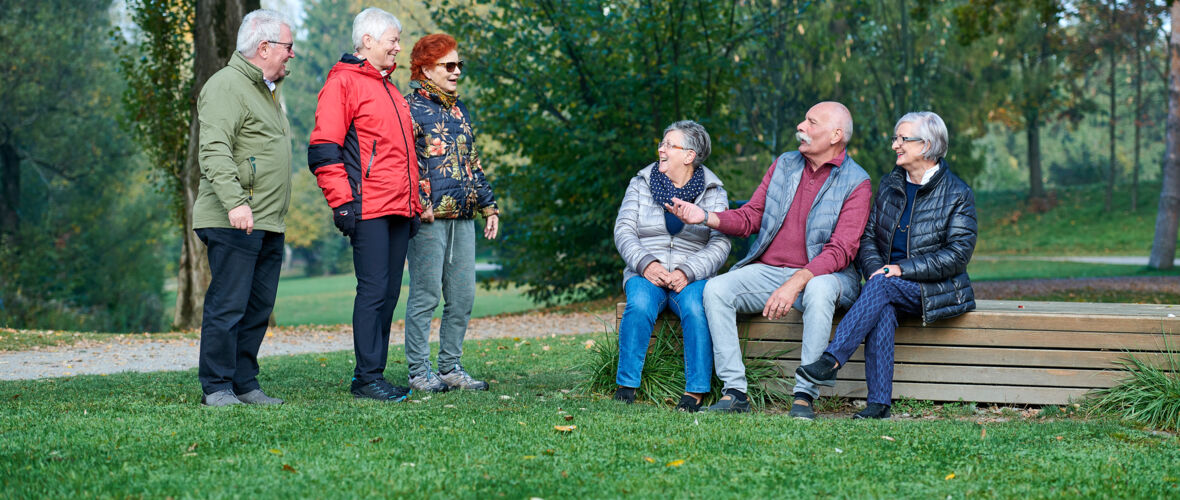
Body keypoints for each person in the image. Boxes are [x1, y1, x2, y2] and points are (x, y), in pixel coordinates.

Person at [666, 101, 871, 417]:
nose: (801, 127)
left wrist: (796, 282)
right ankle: (735, 393)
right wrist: (704, 216)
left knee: (817, 290)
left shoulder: (857, 181)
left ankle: (804, 395)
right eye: (803, 120)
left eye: (811, 122)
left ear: (835, 135)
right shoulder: (784, 165)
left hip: (827, 276)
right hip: (771, 271)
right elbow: (751, 217)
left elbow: (841, 251)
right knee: (716, 290)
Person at [795, 111, 977, 419]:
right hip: (888, 286)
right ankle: (878, 404)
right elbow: (868, 240)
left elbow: (957, 255)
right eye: (896, 138)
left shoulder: (957, 194)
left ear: (927, 145)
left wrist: (902, 270)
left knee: (883, 286)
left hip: (936, 289)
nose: (895, 145)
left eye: (903, 139)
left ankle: (832, 359)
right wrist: (880, 270)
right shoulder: (890, 184)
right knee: (882, 301)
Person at [308, 7, 420, 402]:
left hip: (398, 209)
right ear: (368, 41)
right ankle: (366, 378)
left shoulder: (389, 88)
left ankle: (374, 374)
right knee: (373, 292)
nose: (398, 47)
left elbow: (404, 155)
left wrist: (414, 205)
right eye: (393, 40)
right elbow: (323, 150)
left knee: (389, 294)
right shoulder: (344, 82)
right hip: (367, 208)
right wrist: (341, 203)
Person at [193, 9, 295, 407]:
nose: (291, 54)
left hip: (267, 219)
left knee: (257, 308)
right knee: (229, 305)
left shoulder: (267, 89)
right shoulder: (226, 86)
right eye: (287, 47)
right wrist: (236, 202)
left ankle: (244, 382)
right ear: (264, 47)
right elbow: (214, 150)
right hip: (233, 218)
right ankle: (216, 387)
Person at [402, 34, 500, 393]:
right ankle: (418, 371)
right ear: (426, 69)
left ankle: (450, 369)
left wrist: (489, 205)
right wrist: (420, 203)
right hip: (428, 218)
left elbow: (472, 162)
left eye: (460, 65)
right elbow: (405, 164)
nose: (457, 71)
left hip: (463, 215)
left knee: (462, 297)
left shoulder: (460, 111)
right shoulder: (408, 108)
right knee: (426, 296)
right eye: (449, 65)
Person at [613, 120, 731, 412]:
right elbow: (624, 230)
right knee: (639, 304)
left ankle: (696, 390)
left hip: (691, 276)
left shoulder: (713, 190)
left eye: (669, 145)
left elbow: (720, 243)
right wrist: (646, 264)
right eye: (661, 143)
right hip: (645, 270)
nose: (660, 149)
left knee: (696, 308)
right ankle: (626, 385)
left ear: (689, 155)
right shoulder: (640, 182)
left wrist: (687, 272)